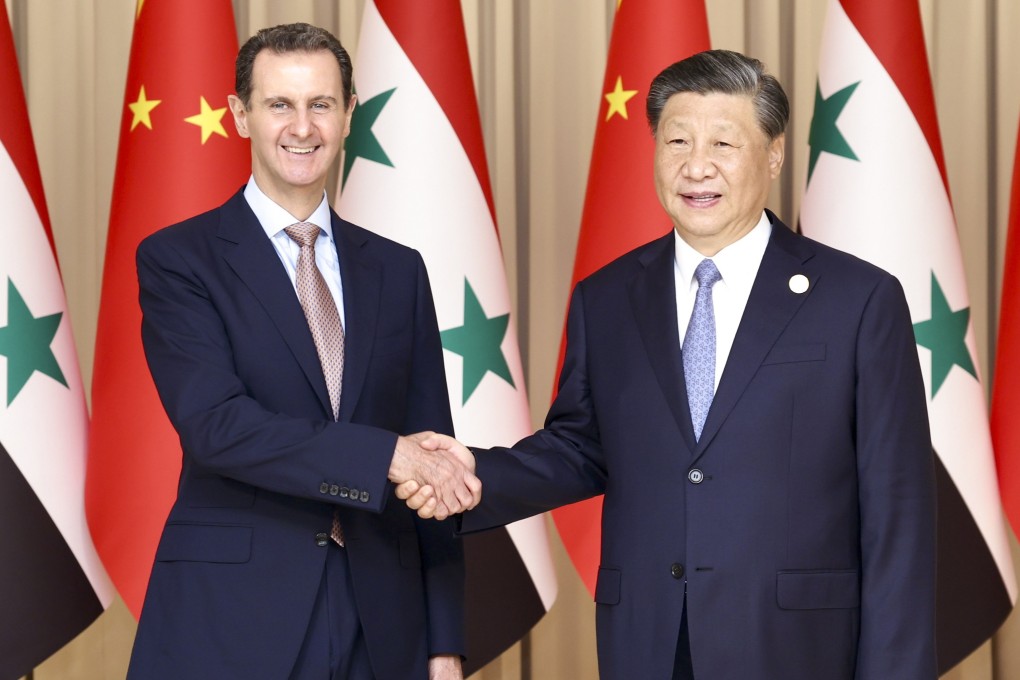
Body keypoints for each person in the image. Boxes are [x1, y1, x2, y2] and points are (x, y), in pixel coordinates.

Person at [400, 50, 936, 679]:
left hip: (797, 646)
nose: (696, 166)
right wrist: (475, 475)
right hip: (650, 640)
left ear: (774, 153)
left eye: (723, 143)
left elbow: (898, 514)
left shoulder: (858, 300)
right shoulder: (606, 297)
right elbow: (581, 448)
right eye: (677, 140)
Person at [127, 23, 479, 680]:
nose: (302, 127)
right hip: (231, 615)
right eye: (279, 105)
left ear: (349, 114)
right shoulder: (179, 260)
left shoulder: (399, 271)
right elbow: (217, 428)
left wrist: (444, 640)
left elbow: (432, 453)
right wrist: (385, 456)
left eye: (321, 104)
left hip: (383, 620)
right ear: (240, 116)